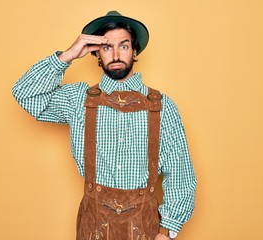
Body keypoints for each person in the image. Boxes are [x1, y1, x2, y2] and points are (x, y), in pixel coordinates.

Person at [12, 10, 196, 240]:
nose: (116, 54)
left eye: (124, 46)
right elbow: (25, 94)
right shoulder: (78, 99)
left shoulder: (161, 106)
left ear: (135, 50)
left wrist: (167, 232)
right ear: (96, 52)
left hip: (145, 228)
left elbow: (181, 174)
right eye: (107, 47)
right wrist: (67, 56)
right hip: (93, 226)